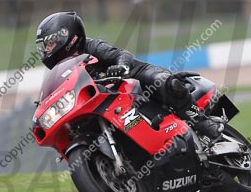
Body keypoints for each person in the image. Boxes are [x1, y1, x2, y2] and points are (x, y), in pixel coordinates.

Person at [35, 11, 224, 139]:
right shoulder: (60, 70)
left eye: (49, 44)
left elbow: (121, 54)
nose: (47, 50)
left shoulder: (91, 46)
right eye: (45, 46)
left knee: (163, 82)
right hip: (106, 103)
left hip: (135, 79)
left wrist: (121, 67)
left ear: (66, 36)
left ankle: (202, 123)